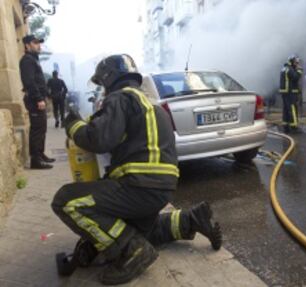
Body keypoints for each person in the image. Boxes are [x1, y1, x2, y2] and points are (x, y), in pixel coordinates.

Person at [51, 54, 222, 285]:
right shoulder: (150, 104)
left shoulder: (120, 99)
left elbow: (98, 139)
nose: (102, 90)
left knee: (65, 201)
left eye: (102, 84)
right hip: (160, 190)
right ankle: (191, 220)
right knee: (134, 230)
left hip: (138, 187)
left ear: (110, 79)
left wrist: (73, 125)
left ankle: (132, 253)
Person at [19, 35, 55, 169]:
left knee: (42, 128)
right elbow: (29, 82)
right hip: (34, 100)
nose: (38, 45)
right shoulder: (27, 60)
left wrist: (46, 95)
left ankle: (40, 154)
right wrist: (39, 98)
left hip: (38, 99)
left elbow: (38, 80)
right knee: (37, 130)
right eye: (35, 43)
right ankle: (35, 160)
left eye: (39, 43)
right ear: (27, 45)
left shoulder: (34, 59)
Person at [279, 55, 303, 133]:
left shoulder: (284, 69)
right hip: (290, 92)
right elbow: (295, 77)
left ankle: (285, 125)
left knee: (286, 109)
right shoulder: (289, 69)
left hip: (285, 92)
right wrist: (299, 70)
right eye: (296, 62)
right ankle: (294, 126)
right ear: (291, 61)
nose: (297, 64)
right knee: (292, 109)